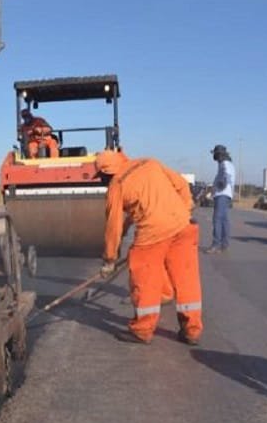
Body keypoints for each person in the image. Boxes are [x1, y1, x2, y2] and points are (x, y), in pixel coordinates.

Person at [96, 149, 202, 346]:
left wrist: (109, 259)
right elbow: (180, 184)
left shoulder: (116, 185)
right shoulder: (149, 163)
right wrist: (185, 209)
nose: (102, 181)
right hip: (184, 227)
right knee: (187, 280)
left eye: (101, 177)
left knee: (145, 279)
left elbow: (113, 226)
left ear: (106, 172)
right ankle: (192, 331)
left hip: (153, 234)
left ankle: (142, 330)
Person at [206, 144, 235, 254]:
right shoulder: (228, 164)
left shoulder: (224, 164)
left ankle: (216, 244)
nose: (214, 156)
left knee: (217, 219)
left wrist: (220, 185)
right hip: (226, 194)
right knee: (224, 220)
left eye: (215, 154)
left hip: (222, 194)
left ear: (219, 154)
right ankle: (224, 244)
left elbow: (225, 176)